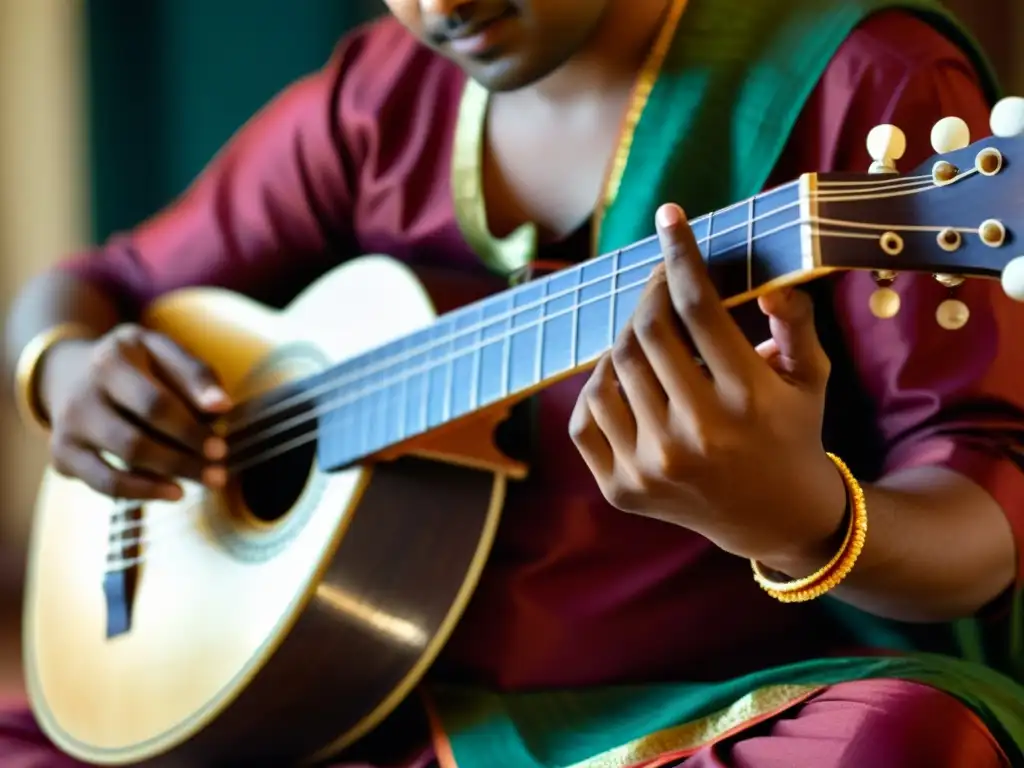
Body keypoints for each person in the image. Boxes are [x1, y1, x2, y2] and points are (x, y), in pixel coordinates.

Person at [5, 0, 1024, 765]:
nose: (444, 4)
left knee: (904, 745)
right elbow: (97, 287)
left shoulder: (859, 82)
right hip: (379, 704)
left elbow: (987, 501)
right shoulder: (381, 98)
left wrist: (800, 518)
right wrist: (69, 369)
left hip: (699, 709)